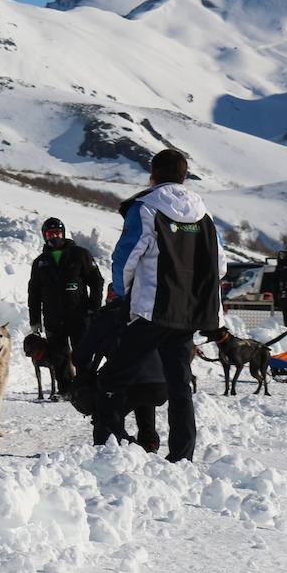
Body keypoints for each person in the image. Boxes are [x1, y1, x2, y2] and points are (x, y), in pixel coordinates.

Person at [99, 149, 226, 463]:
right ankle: (182, 455)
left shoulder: (145, 209)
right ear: (184, 177)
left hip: (150, 311)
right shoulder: (205, 217)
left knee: (113, 378)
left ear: (152, 175)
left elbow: (126, 258)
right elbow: (220, 265)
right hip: (188, 315)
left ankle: (108, 447)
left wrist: (121, 292)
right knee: (179, 384)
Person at [73, 300, 164, 453]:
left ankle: (108, 451)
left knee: (106, 410)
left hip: (128, 382)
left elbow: (81, 355)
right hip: (160, 384)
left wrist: (85, 375)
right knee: (144, 392)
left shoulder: (107, 318)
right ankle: (149, 443)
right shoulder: (147, 313)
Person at [27, 217, 104, 395]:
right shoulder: (40, 262)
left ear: (63, 233)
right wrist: (35, 320)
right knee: (58, 356)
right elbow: (34, 293)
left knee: (82, 353)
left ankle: (86, 388)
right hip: (53, 318)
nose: (55, 237)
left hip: (79, 316)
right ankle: (65, 391)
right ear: (44, 236)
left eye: (58, 233)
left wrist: (94, 308)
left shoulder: (80, 254)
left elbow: (97, 281)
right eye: (50, 234)